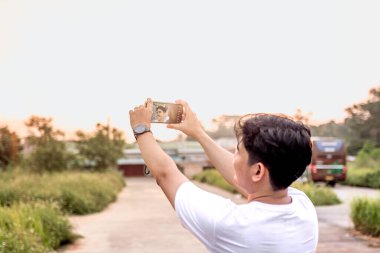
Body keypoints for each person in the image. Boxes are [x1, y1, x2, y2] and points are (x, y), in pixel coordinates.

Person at [129, 98, 318, 253]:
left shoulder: (229, 225)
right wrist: (198, 133)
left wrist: (141, 129)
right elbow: (250, 180)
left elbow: (166, 174)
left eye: (237, 151)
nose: (233, 157)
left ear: (258, 171)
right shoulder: (303, 208)